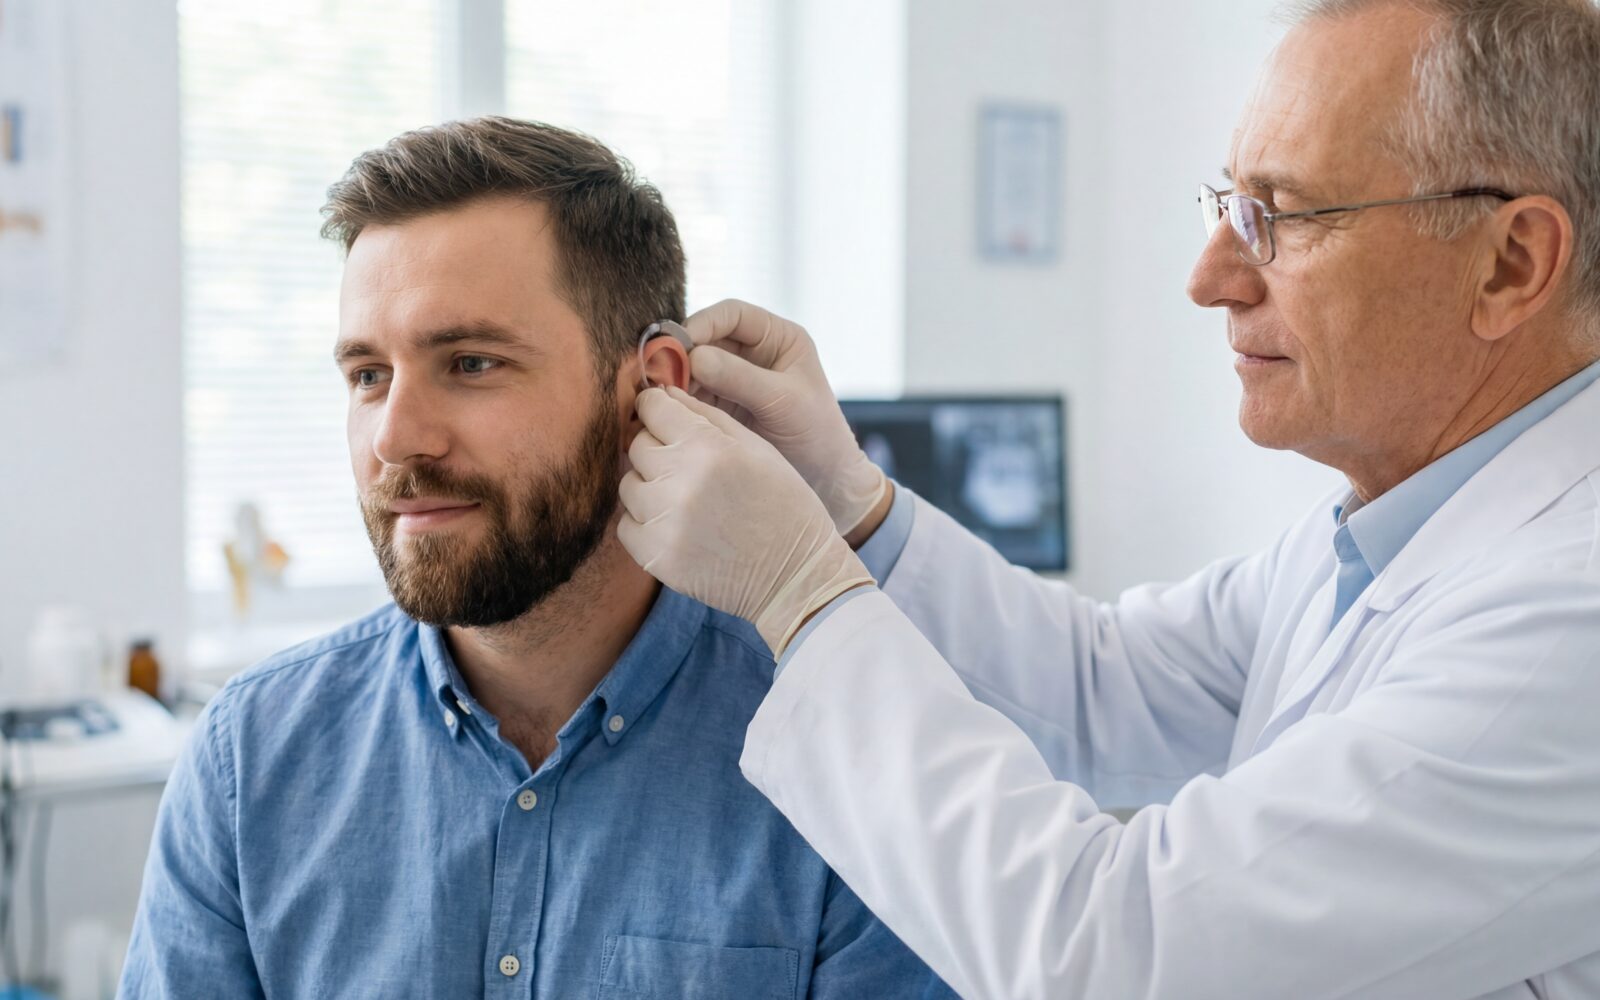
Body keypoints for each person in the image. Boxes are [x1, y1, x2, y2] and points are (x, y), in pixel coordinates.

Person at [616, 1, 1600, 997]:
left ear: (1509, 262)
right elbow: (1099, 683)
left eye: (1279, 215)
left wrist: (803, 597)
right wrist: (849, 500)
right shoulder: (1382, 531)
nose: (1209, 276)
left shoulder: (1569, 623)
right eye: (1223, 205)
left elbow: (1113, 955)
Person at [119, 117, 954, 999]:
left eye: (471, 363)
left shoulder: (846, 759)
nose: (396, 437)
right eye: (368, 374)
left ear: (654, 390)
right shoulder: (250, 761)